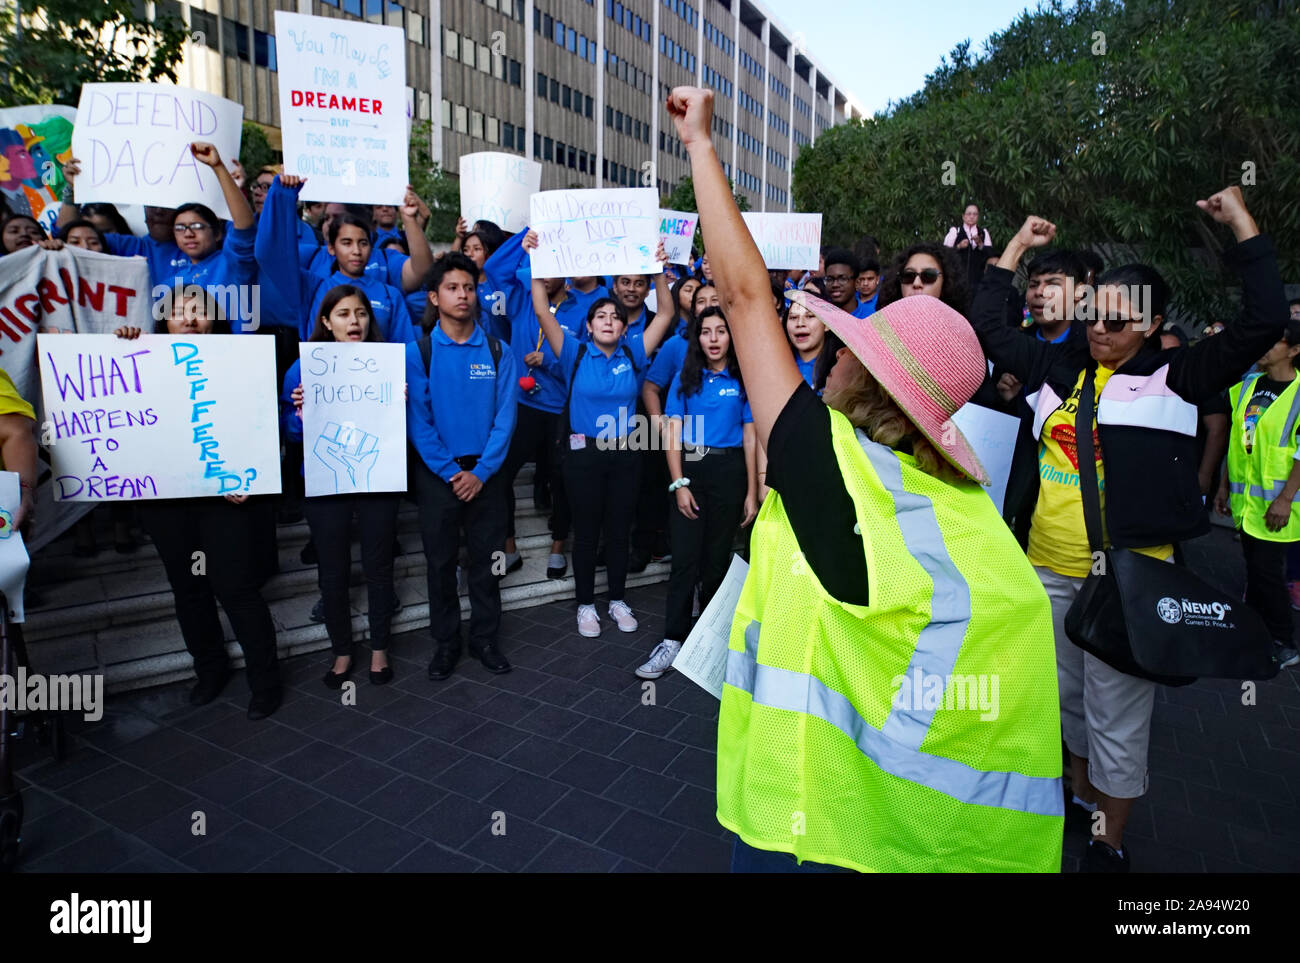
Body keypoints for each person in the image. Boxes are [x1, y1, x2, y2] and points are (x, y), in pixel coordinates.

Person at [668, 85, 1063, 873]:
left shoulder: (829, 469)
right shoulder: (954, 507)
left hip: (808, 821)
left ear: (870, 379)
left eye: (850, 349)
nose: (835, 356)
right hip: (907, 832)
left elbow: (745, 298)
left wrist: (701, 145)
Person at [969, 192, 1287, 872]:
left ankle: (1108, 844)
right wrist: (1016, 248)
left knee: (1116, 715)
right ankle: (1082, 799)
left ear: (1153, 325)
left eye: (1118, 321)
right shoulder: (1060, 369)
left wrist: (1238, 223)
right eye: (1093, 317)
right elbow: (989, 327)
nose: (1100, 330)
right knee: (1067, 698)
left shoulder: (1179, 375)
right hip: (1045, 569)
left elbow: (1263, 318)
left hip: (1126, 581)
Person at [114, 291, 283, 720]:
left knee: (235, 587)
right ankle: (210, 670)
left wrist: (252, 474)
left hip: (224, 501)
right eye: (178, 312)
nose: (189, 319)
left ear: (216, 319)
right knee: (189, 589)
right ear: (163, 321)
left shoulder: (238, 361)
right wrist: (120, 349)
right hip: (166, 502)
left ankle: (265, 681)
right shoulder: (140, 359)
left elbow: (259, 422)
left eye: (200, 311)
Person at [524, 234, 675, 638]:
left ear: (624, 327)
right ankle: (586, 605)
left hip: (626, 453)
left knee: (619, 529)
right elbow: (541, 306)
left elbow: (665, 315)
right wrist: (537, 257)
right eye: (601, 316)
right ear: (589, 326)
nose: (609, 320)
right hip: (582, 455)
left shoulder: (633, 353)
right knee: (587, 532)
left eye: (615, 317)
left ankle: (618, 601)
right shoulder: (572, 352)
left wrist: (658, 270)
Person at [282, 285, 401, 687]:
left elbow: (401, 430)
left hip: (377, 477)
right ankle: (342, 651)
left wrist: (400, 403)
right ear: (326, 321)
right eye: (345, 313)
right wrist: (299, 414)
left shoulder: (389, 364)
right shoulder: (301, 368)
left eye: (362, 313)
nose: (355, 321)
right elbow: (292, 437)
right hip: (325, 479)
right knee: (332, 571)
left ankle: (380, 648)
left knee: (379, 567)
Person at [407, 252, 517, 680]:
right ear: (434, 296)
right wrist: (452, 472)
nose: (463, 295)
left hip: (486, 475)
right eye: (452, 288)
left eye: (469, 287)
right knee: (440, 564)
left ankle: (485, 639)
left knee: (489, 560)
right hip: (439, 478)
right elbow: (419, 420)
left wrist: (482, 472)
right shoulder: (419, 353)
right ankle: (446, 643)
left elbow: (505, 418)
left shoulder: (497, 350)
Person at [636, 306, 758, 679]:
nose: (714, 339)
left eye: (722, 331)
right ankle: (672, 640)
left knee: (717, 561)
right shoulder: (686, 379)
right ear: (697, 337)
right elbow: (672, 431)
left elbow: (751, 436)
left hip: (730, 471)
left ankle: (711, 641)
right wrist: (678, 484)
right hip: (690, 470)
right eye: (707, 332)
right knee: (685, 560)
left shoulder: (742, 378)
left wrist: (752, 491)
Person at [60, 146, 256, 319]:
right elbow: (70, 238)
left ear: (217, 233)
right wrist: (71, 190)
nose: (159, 211)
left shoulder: (230, 261)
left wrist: (221, 171)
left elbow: (244, 229)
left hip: (235, 354)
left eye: (196, 226)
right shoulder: (166, 284)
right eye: (181, 228)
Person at [1215, 321, 1300, 669]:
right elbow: (1240, 440)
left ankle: (1285, 642)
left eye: (1275, 342)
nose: (1266, 346)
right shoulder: (1249, 385)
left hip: (1278, 505)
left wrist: (1284, 499)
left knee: (1266, 574)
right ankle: (1259, 631)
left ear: (1294, 350)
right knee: (1256, 569)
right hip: (1248, 502)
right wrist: (1222, 485)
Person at [257, 174, 421, 344]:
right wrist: (282, 196)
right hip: (321, 368)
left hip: (374, 369)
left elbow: (406, 355)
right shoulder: (311, 288)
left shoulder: (390, 295)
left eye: (363, 243)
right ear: (331, 248)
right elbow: (269, 255)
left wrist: (410, 219)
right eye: (346, 243)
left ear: (371, 247)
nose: (356, 251)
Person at [943, 202, 993, 287]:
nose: (972, 216)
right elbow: (945, 253)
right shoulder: (955, 231)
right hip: (957, 281)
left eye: (975, 214)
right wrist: (959, 246)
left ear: (978, 217)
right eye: (969, 214)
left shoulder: (983, 232)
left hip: (978, 282)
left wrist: (980, 244)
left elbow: (991, 256)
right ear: (963, 216)